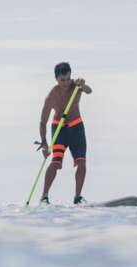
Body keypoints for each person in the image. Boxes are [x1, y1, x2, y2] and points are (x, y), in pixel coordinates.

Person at [37, 62, 92, 205]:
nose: (66, 83)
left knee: (81, 162)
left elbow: (89, 91)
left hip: (76, 128)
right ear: (56, 78)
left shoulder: (76, 86)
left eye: (68, 79)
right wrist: (44, 143)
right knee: (55, 163)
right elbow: (43, 122)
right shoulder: (51, 96)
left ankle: (78, 197)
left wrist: (83, 85)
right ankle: (44, 197)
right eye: (62, 80)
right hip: (59, 129)